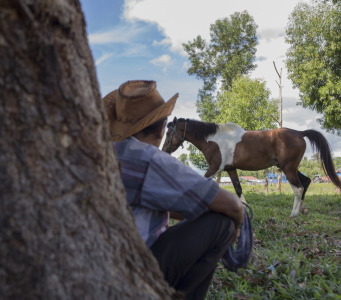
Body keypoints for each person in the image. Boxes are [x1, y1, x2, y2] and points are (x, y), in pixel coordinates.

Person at [103, 80, 244, 300]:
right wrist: (235, 228)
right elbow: (233, 206)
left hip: (102, 266)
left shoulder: (102, 154)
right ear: (162, 127)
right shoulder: (149, 159)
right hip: (134, 271)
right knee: (222, 224)